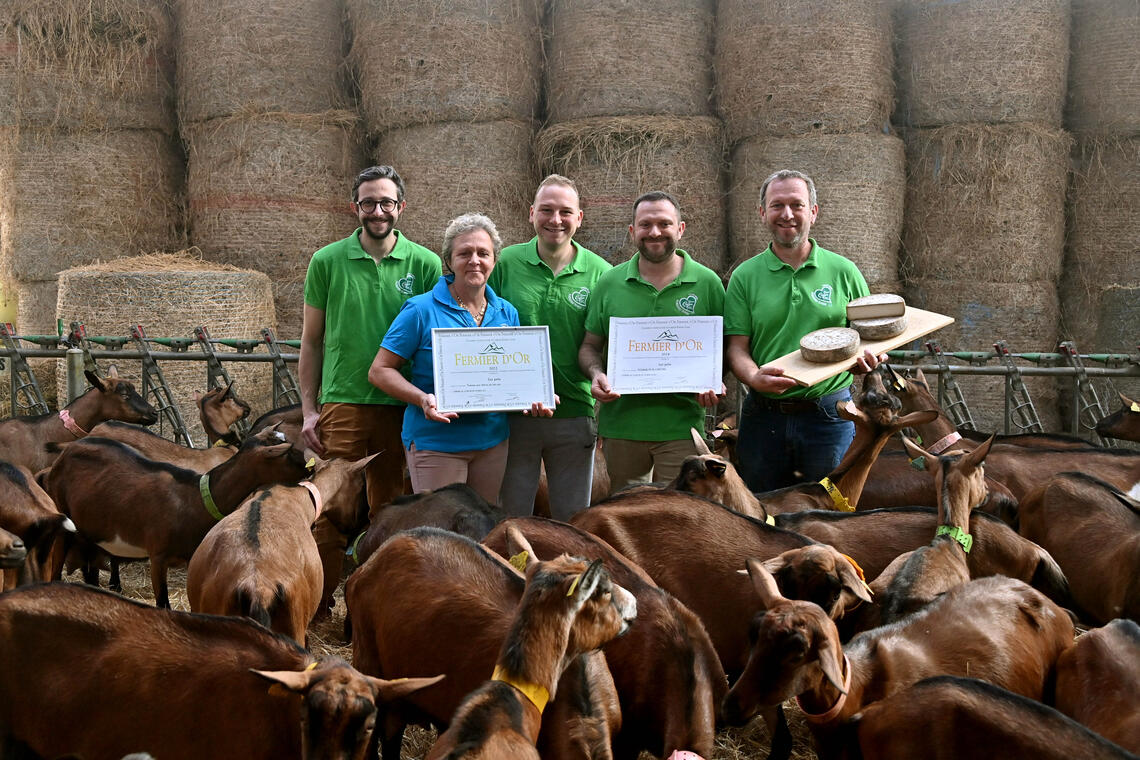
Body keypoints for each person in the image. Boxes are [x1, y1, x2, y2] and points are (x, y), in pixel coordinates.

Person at [299, 164, 441, 614]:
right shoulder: (326, 261)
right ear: (354, 207)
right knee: (331, 510)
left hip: (402, 404)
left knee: (393, 509)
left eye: (385, 202)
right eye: (368, 203)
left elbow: (438, 337)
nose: (377, 211)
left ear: (401, 207)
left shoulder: (426, 263)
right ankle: (318, 605)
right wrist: (308, 409)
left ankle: (383, 606)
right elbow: (311, 340)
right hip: (343, 401)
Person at [368, 213, 554, 504]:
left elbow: (513, 377)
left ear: (495, 260)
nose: (474, 260)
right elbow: (380, 371)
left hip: (493, 442)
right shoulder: (420, 310)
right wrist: (422, 399)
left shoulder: (507, 313)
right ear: (449, 260)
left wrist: (535, 394)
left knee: (482, 530)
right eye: (464, 253)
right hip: (437, 442)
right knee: (442, 535)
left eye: (483, 253)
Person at [724, 169, 882, 493]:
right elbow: (737, 348)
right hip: (763, 416)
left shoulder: (844, 272)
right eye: (777, 205)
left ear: (813, 212)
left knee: (830, 514)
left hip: (830, 416)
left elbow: (871, 337)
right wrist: (753, 378)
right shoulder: (744, 276)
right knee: (761, 515)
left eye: (797, 205)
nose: (787, 214)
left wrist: (872, 357)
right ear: (762, 213)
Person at [578, 191, 725, 492]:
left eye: (664, 224)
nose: (654, 232)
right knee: (630, 514)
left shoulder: (708, 283)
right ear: (633, 231)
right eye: (645, 225)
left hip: (682, 426)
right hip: (623, 427)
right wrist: (596, 374)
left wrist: (715, 380)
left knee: (679, 515)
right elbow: (589, 346)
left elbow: (725, 348)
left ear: (680, 229)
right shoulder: (610, 283)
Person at [488, 175, 612, 520]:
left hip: (574, 411)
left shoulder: (602, 273)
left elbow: (603, 342)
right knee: (511, 518)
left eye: (564, 212)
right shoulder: (505, 264)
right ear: (531, 214)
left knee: (573, 521)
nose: (555, 220)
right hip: (514, 414)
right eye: (546, 210)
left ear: (579, 218)